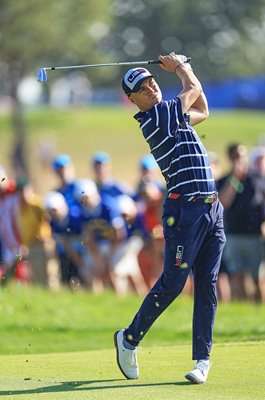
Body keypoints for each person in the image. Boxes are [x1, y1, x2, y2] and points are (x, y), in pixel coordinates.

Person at [114, 52, 226, 385]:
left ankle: (202, 360)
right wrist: (180, 67)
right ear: (133, 100)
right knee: (174, 283)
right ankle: (129, 338)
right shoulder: (157, 117)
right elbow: (191, 88)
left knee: (207, 284)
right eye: (143, 89)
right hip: (185, 212)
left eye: (151, 83)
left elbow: (202, 108)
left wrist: (186, 73)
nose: (151, 89)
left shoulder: (174, 117)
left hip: (212, 208)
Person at [217, 144, 265, 302]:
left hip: (255, 235)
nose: (240, 159)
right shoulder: (225, 180)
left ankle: (259, 310)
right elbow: (223, 203)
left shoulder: (257, 178)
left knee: (257, 277)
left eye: (242, 155)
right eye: (236, 156)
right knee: (236, 278)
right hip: (234, 235)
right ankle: (241, 308)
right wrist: (234, 178)